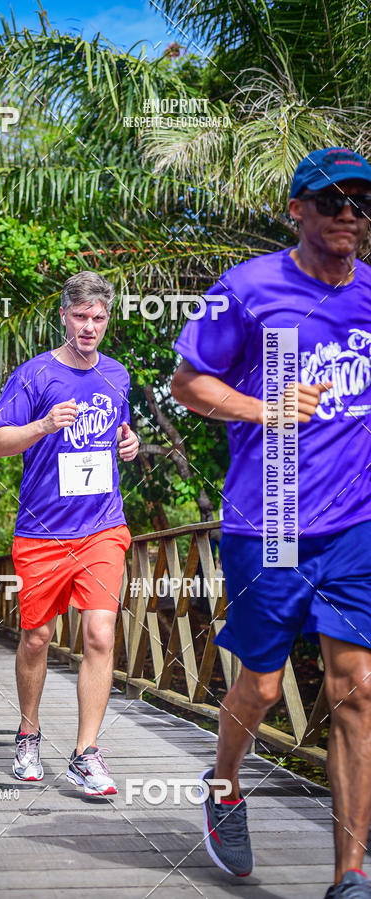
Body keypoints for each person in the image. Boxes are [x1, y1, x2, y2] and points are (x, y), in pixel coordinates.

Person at [172, 147, 371, 898]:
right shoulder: (248, 288)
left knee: (357, 683)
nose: (348, 212)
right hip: (272, 515)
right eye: (331, 200)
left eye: (359, 200)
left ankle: (349, 874)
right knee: (258, 684)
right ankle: (223, 782)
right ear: (296, 209)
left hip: (356, 521)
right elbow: (187, 382)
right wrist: (266, 408)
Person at [0, 270, 140, 797]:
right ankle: (28, 734)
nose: (90, 326)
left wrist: (130, 445)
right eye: (80, 316)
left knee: (100, 633)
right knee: (37, 637)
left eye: (98, 318)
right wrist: (42, 427)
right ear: (63, 317)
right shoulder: (33, 376)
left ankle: (85, 752)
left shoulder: (117, 375)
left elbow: (118, 431)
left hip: (102, 526)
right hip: (43, 531)